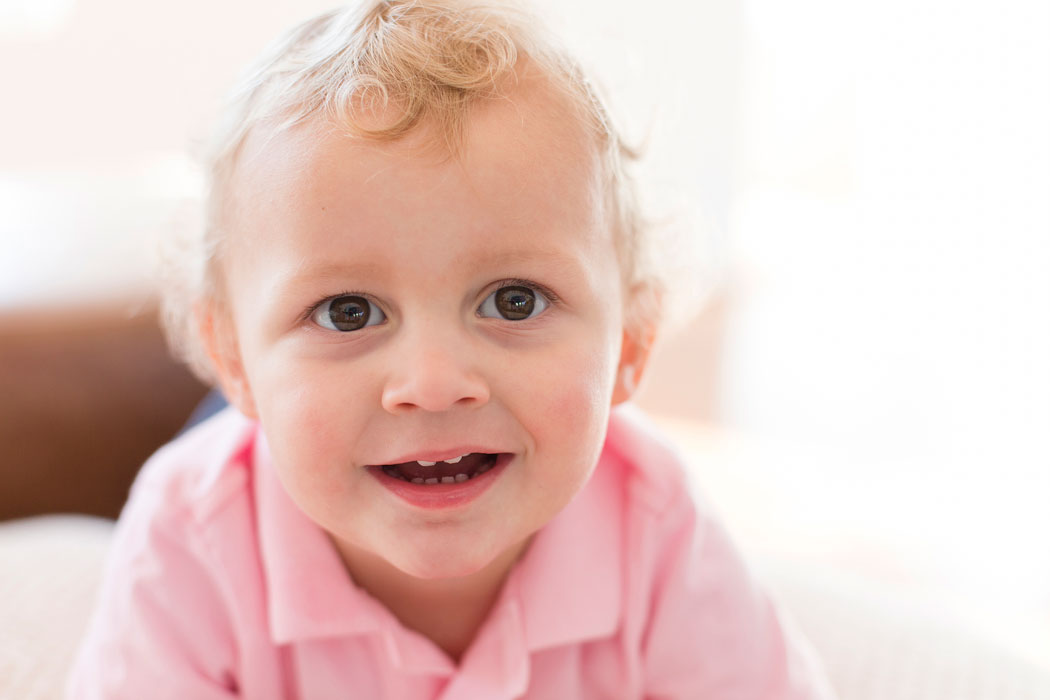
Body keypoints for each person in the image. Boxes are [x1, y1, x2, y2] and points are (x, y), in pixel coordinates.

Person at [67, 1, 836, 697]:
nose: (433, 384)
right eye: (347, 311)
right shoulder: (191, 535)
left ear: (631, 343)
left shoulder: (652, 518)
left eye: (514, 301)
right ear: (231, 356)